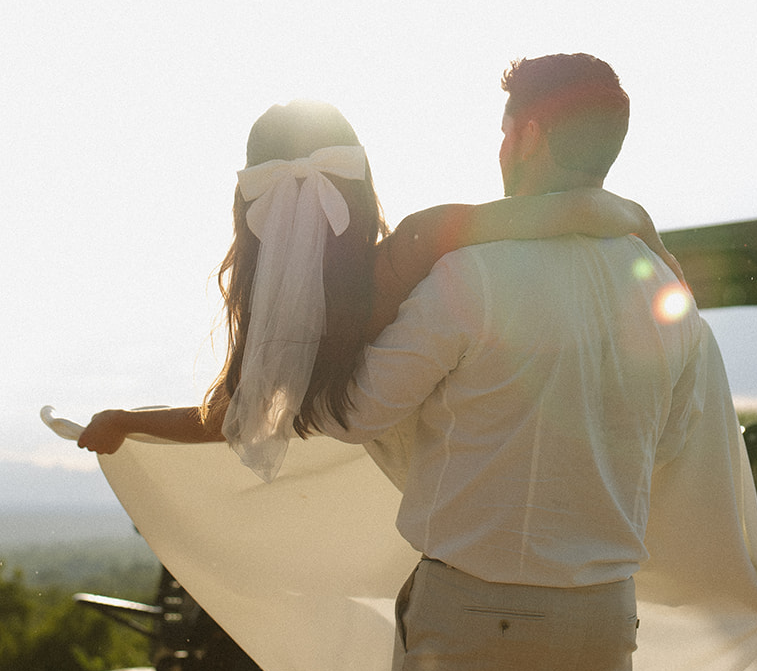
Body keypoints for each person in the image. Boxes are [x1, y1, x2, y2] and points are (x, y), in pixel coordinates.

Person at [318, 54, 703, 671]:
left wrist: (308, 358)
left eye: (505, 131)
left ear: (526, 136)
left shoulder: (469, 281)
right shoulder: (660, 287)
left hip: (477, 613)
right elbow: (677, 440)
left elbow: (354, 412)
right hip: (602, 611)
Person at [77, 95, 680, 466]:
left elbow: (238, 416)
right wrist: (641, 223)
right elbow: (573, 208)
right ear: (358, 186)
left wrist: (129, 419)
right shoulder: (414, 245)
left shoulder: (285, 323)